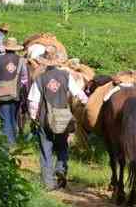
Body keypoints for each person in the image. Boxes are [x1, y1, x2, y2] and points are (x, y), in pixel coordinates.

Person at [28, 45, 88, 191]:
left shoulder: (40, 78)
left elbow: (33, 102)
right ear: (57, 60)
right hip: (63, 117)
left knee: (45, 149)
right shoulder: (66, 76)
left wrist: (33, 117)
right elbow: (80, 95)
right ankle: (61, 168)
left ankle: (48, 183)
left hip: (45, 119)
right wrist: (85, 103)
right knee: (62, 146)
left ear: (44, 61)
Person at [0, 37, 28, 147]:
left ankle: (8, 143)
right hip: (15, 93)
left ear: (5, 48)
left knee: (5, 119)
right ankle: (13, 140)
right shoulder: (21, 60)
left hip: (1, 93)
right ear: (15, 49)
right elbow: (25, 79)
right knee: (13, 117)